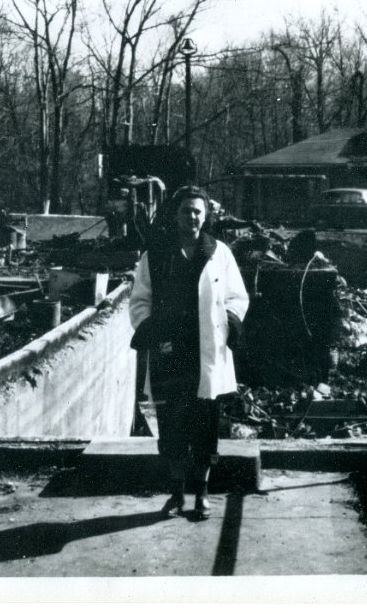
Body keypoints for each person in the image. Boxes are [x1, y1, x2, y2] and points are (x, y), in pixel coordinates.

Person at [129, 186, 249, 520]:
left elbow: (237, 296)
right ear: (175, 214)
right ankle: (178, 493)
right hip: (171, 353)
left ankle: (203, 493)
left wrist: (230, 324)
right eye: (186, 211)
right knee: (172, 426)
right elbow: (140, 299)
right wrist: (150, 328)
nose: (192, 217)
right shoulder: (155, 255)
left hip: (206, 353)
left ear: (206, 215)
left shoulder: (219, 253)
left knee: (205, 425)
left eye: (198, 211)